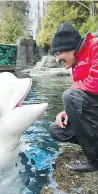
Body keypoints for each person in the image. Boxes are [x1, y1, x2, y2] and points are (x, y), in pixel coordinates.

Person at [48, 22, 98, 172]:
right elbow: (80, 90)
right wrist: (67, 111)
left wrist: (71, 100)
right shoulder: (75, 63)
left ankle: (94, 159)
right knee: (56, 129)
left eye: (58, 55)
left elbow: (95, 83)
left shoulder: (95, 46)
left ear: (70, 48)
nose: (60, 63)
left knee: (69, 96)